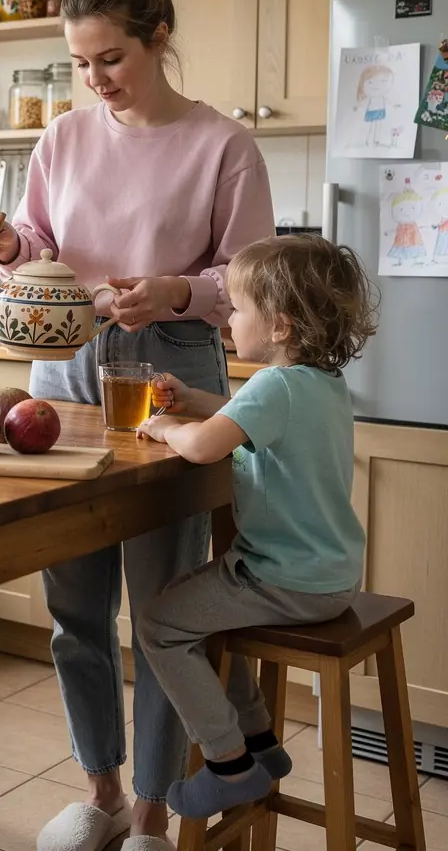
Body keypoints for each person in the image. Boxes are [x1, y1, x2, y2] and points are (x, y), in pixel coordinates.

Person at [0, 0, 275, 851]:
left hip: (173, 374)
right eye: (79, 63)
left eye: (111, 59)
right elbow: (40, 235)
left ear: (159, 38)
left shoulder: (224, 145)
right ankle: (98, 791)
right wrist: (8, 245)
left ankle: (151, 808)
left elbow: (249, 280)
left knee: (163, 609)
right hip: (62, 370)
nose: (94, 80)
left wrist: (177, 290)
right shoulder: (61, 137)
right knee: (75, 603)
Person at [135, 234, 378, 819]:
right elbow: (239, 416)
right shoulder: (319, 385)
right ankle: (263, 747)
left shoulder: (275, 386)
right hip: (330, 577)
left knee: (162, 623)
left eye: (238, 309)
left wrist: (167, 426)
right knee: (206, 617)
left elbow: (201, 447)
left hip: (283, 581)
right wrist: (194, 397)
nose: (229, 320)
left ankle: (228, 764)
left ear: (280, 327)